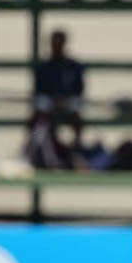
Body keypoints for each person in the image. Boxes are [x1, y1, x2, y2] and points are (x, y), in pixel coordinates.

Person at [25, 29, 85, 169]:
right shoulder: (44, 67)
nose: (57, 46)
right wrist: (53, 100)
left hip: (68, 103)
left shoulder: (73, 66)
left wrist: (65, 99)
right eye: (54, 42)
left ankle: (76, 150)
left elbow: (79, 90)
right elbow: (38, 90)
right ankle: (38, 152)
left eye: (59, 42)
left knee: (75, 108)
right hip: (48, 103)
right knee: (41, 109)